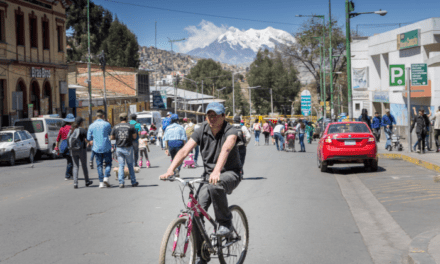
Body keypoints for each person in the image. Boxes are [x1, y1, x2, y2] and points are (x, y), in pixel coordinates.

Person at [160, 102, 242, 264]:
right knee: (195, 212)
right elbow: (184, 150)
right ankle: (202, 253)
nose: (212, 119)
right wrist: (171, 170)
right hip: (208, 175)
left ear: (223, 116)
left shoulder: (230, 130)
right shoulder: (202, 130)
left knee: (215, 185)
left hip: (230, 173)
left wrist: (217, 170)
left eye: (215, 115)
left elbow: (226, 148)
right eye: (209, 115)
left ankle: (225, 223)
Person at [111, 113, 139, 188]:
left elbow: (111, 137)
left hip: (119, 148)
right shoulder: (130, 126)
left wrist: (118, 138)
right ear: (126, 118)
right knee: (130, 165)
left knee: (121, 165)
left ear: (120, 119)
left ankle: (121, 182)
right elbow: (134, 136)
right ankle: (133, 182)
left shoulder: (115, 127)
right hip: (128, 148)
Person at [87, 110, 113, 188]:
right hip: (106, 147)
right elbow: (110, 134)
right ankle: (106, 177)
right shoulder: (107, 124)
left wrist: (92, 139)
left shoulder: (91, 125)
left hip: (96, 148)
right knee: (108, 163)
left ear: (96, 116)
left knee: (99, 165)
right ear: (103, 116)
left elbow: (88, 138)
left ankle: (101, 182)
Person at [68, 117, 93, 189]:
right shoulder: (82, 130)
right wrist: (89, 142)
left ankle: (75, 184)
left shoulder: (71, 130)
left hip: (73, 150)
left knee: (75, 166)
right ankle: (87, 181)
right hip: (81, 150)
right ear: (81, 123)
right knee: (84, 166)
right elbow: (88, 138)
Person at [55, 114, 75, 180]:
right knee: (70, 162)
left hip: (63, 146)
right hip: (69, 146)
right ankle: (67, 175)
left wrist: (56, 147)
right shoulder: (72, 128)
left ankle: (70, 175)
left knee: (69, 161)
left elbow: (58, 139)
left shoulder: (62, 128)